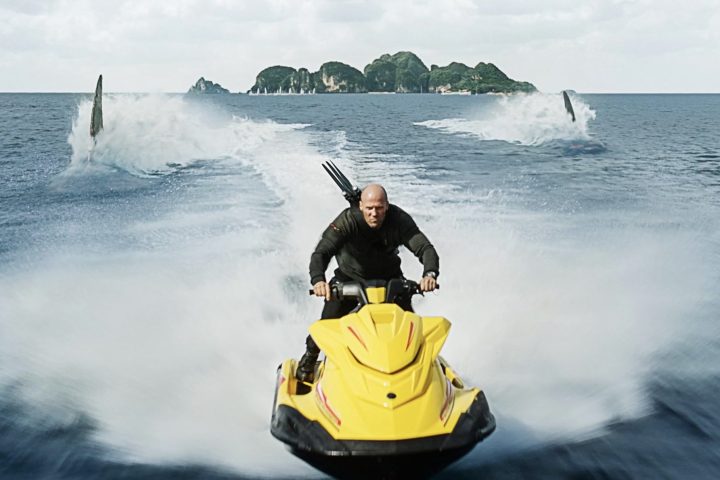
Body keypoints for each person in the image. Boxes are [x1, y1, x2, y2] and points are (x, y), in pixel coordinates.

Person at [296, 183, 439, 381]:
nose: (374, 213)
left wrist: (429, 274)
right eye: (369, 208)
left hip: (390, 279)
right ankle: (310, 358)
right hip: (349, 280)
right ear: (361, 206)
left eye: (379, 208)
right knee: (328, 322)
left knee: (410, 327)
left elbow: (425, 248)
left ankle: (421, 373)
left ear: (387, 206)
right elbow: (322, 252)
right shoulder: (347, 220)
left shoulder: (399, 220)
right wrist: (319, 280)